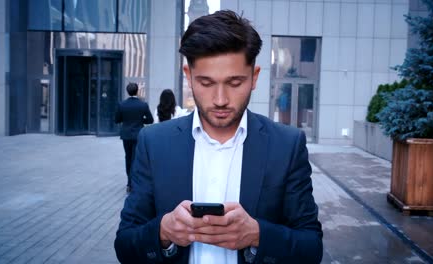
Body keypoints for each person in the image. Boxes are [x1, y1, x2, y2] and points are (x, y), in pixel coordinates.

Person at [115, 10, 323, 264]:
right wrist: (163, 232)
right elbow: (125, 245)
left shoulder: (286, 145)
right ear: (188, 75)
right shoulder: (154, 142)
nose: (221, 99)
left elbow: (311, 248)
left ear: (254, 77)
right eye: (206, 82)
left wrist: (258, 235)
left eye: (235, 83)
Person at [115, 83, 153, 193]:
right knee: (135, 159)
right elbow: (150, 120)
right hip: (138, 134)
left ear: (127, 91)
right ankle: (133, 183)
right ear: (137, 91)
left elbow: (117, 120)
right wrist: (141, 121)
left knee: (128, 158)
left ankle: (129, 183)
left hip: (126, 135)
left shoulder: (122, 104)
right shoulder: (143, 105)